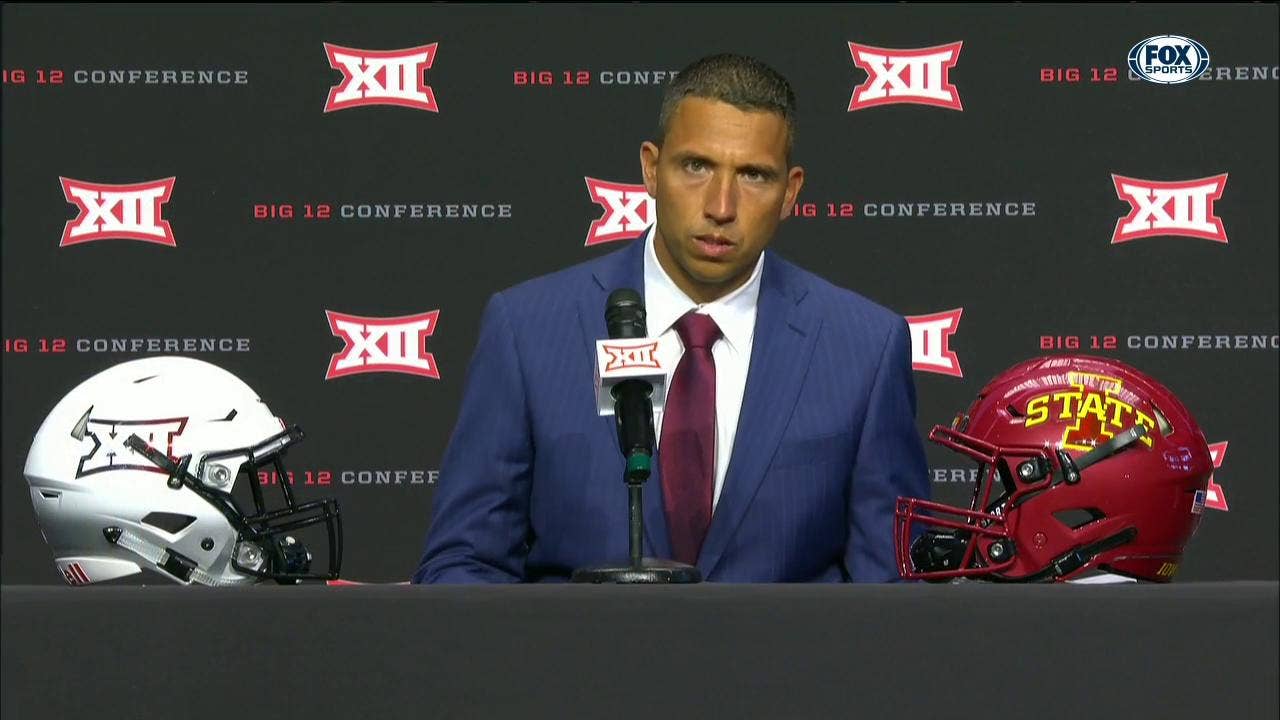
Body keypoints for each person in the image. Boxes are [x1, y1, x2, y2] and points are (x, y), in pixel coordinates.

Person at [413, 53, 928, 583]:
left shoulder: (864, 348)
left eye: (753, 175)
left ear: (791, 192)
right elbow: (463, 565)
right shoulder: (526, 329)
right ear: (651, 168)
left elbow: (888, 594)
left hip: (782, 668)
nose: (721, 205)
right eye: (696, 166)